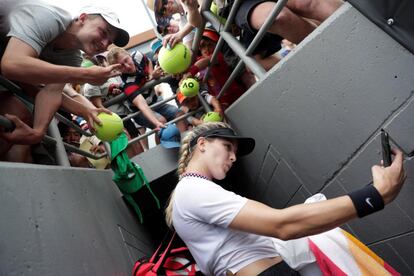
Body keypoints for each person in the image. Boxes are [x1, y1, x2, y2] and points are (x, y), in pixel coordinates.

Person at [165, 122, 406, 275]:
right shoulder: (193, 189)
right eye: (228, 147)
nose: (233, 157)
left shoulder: (195, 190)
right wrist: (374, 196)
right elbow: (282, 225)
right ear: (203, 144)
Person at [0, 2, 129, 159]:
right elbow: (11, 64)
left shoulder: (73, 58)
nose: (104, 44)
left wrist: (38, 131)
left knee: (18, 114)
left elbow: (50, 92)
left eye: (109, 42)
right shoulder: (49, 17)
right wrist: (84, 74)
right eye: (103, 32)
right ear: (82, 18)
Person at [107, 47, 181, 136]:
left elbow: (148, 61)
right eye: (121, 66)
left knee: (179, 113)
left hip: (154, 102)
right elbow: (142, 105)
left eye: (126, 60)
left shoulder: (138, 55)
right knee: (161, 122)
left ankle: (185, 141)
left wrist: (151, 75)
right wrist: (156, 122)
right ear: (117, 70)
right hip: (140, 112)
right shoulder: (128, 83)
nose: (127, 66)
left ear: (129, 54)